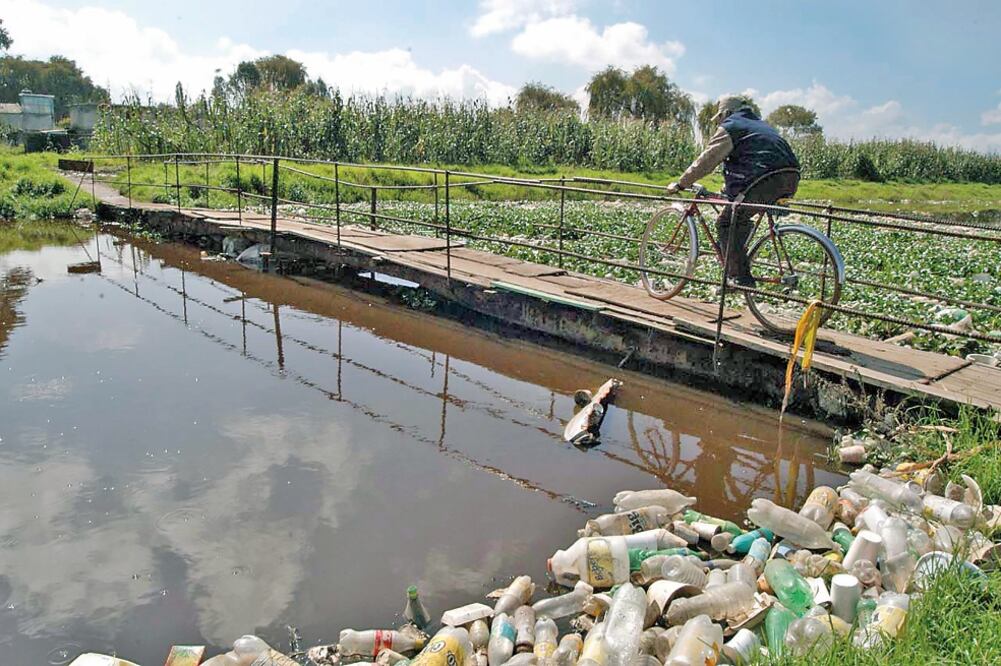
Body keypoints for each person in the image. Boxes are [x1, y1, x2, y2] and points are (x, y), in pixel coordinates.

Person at [666, 95, 800, 286]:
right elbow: (750, 160)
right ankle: (737, 258)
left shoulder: (731, 127)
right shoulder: (761, 125)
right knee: (739, 214)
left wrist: (681, 183)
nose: (719, 122)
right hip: (790, 177)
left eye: (719, 117)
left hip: (764, 181)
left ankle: (739, 277)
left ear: (727, 113)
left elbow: (707, 161)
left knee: (726, 223)